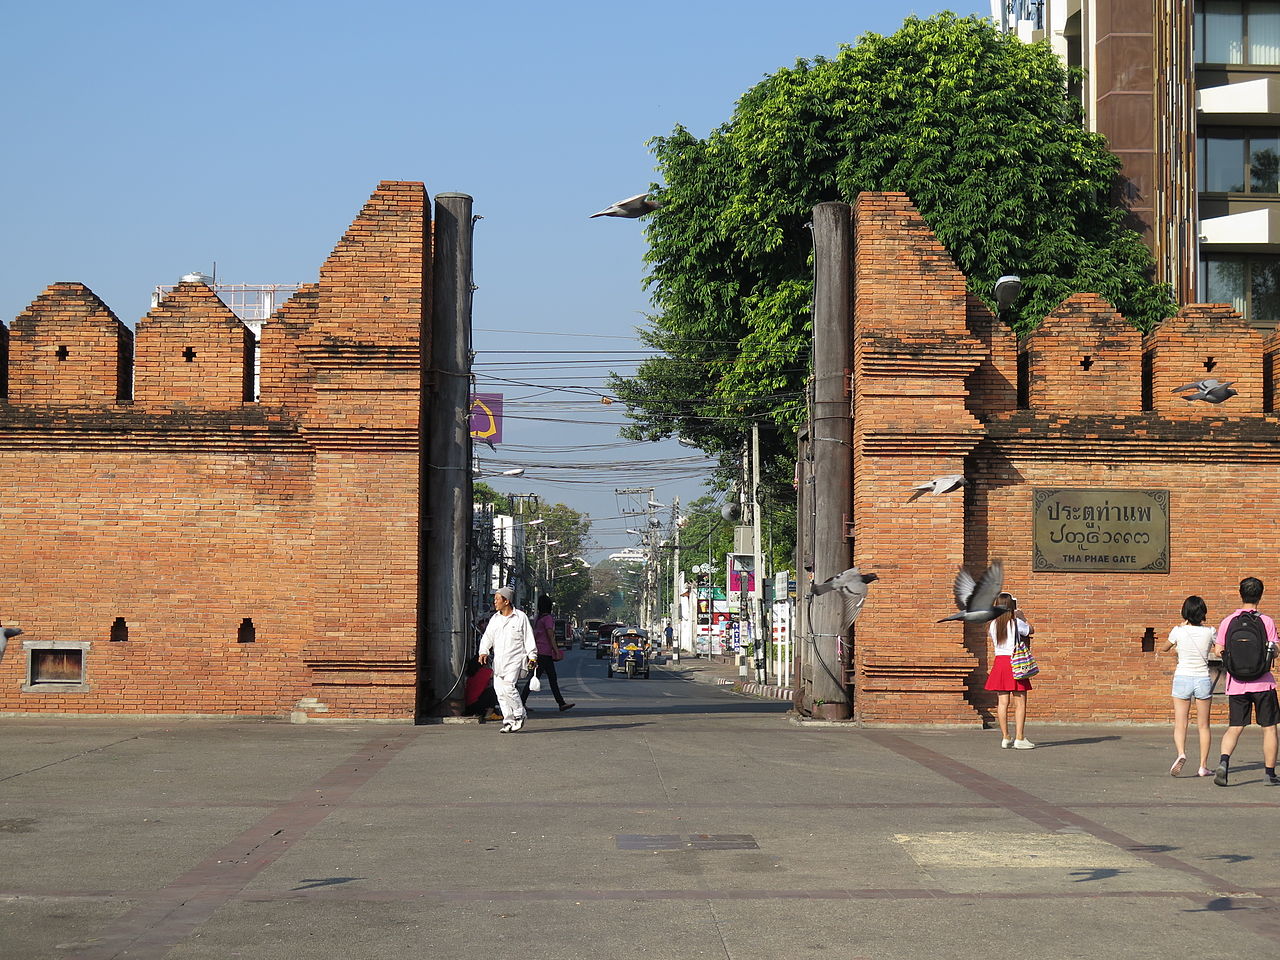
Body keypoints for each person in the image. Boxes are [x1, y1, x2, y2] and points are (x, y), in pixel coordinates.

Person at [1212, 577, 1280, 786]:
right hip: (1263, 682)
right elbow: (1275, 650)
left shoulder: (1228, 621)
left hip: (1237, 683)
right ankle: (1269, 774)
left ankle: (1224, 762)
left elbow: (1218, 649)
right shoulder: (1266, 621)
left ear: (1240, 594)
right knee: (1269, 728)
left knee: (1235, 727)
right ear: (1260, 595)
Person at [1160, 596, 1216, 777]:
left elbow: (1164, 648)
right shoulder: (1210, 631)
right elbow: (1217, 649)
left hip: (1182, 677)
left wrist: (1181, 631)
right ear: (1203, 613)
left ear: (1185, 612)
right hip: (1202, 678)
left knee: (1180, 723)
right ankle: (1203, 766)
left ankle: (1181, 753)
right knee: (1204, 725)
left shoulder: (1178, 631)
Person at [477, 586, 538, 733]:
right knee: (500, 691)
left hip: (516, 659)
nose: (494, 602)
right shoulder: (495, 619)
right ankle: (508, 721)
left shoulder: (520, 617)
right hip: (499, 661)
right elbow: (487, 637)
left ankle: (519, 714)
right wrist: (483, 651)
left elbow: (528, 638)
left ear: (507, 601)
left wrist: (532, 656)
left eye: (497, 599)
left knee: (509, 687)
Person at [984, 593, 1035, 749]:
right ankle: (1020, 737)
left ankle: (1005, 737)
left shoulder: (992, 624)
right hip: (1015, 662)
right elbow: (1031, 631)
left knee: (1002, 702)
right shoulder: (1016, 623)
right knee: (1020, 701)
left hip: (1000, 663)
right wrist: (1022, 616)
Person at [521, 596, 574, 712]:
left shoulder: (538, 619)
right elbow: (550, 636)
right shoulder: (548, 619)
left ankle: (561, 703)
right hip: (545, 653)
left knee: (545, 678)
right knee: (545, 678)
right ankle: (521, 702)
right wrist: (556, 650)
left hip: (538, 652)